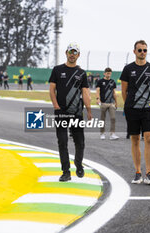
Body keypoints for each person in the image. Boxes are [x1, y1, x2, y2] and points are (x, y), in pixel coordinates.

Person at [49, 42, 92, 182]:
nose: (72, 54)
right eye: (70, 52)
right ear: (66, 53)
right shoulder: (57, 70)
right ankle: (66, 172)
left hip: (77, 113)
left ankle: (79, 164)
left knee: (80, 142)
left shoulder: (81, 73)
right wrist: (56, 106)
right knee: (62, 142)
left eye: (75, 52)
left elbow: (85, 93)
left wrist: (89, 111)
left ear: (78, 55)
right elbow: (51, 89)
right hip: (61, 112)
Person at [120, 40, 150, 185]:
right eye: (140, 50)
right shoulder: (128, 69)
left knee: (148, 138)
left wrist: (145, 100)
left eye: (144, 50)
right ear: (134, 51)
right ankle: (138, 172)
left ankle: (149, 173)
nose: (142, 52)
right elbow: (124, 91)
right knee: (135, 139)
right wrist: (129, 104)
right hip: (132, 109)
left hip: (147, 108)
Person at [96, 67, 119, 140]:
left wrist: (116, 102)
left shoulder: (113, 82)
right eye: (107, 73)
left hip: (111, 103)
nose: (108, 74)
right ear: (104, 73)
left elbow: (114, 92)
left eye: (110, 73)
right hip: (103, 103)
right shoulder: (100, 81)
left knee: (113, 118)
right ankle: (102, 133)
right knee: (102, 119)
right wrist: (98, 99)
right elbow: (97, 91)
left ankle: (112, 134)